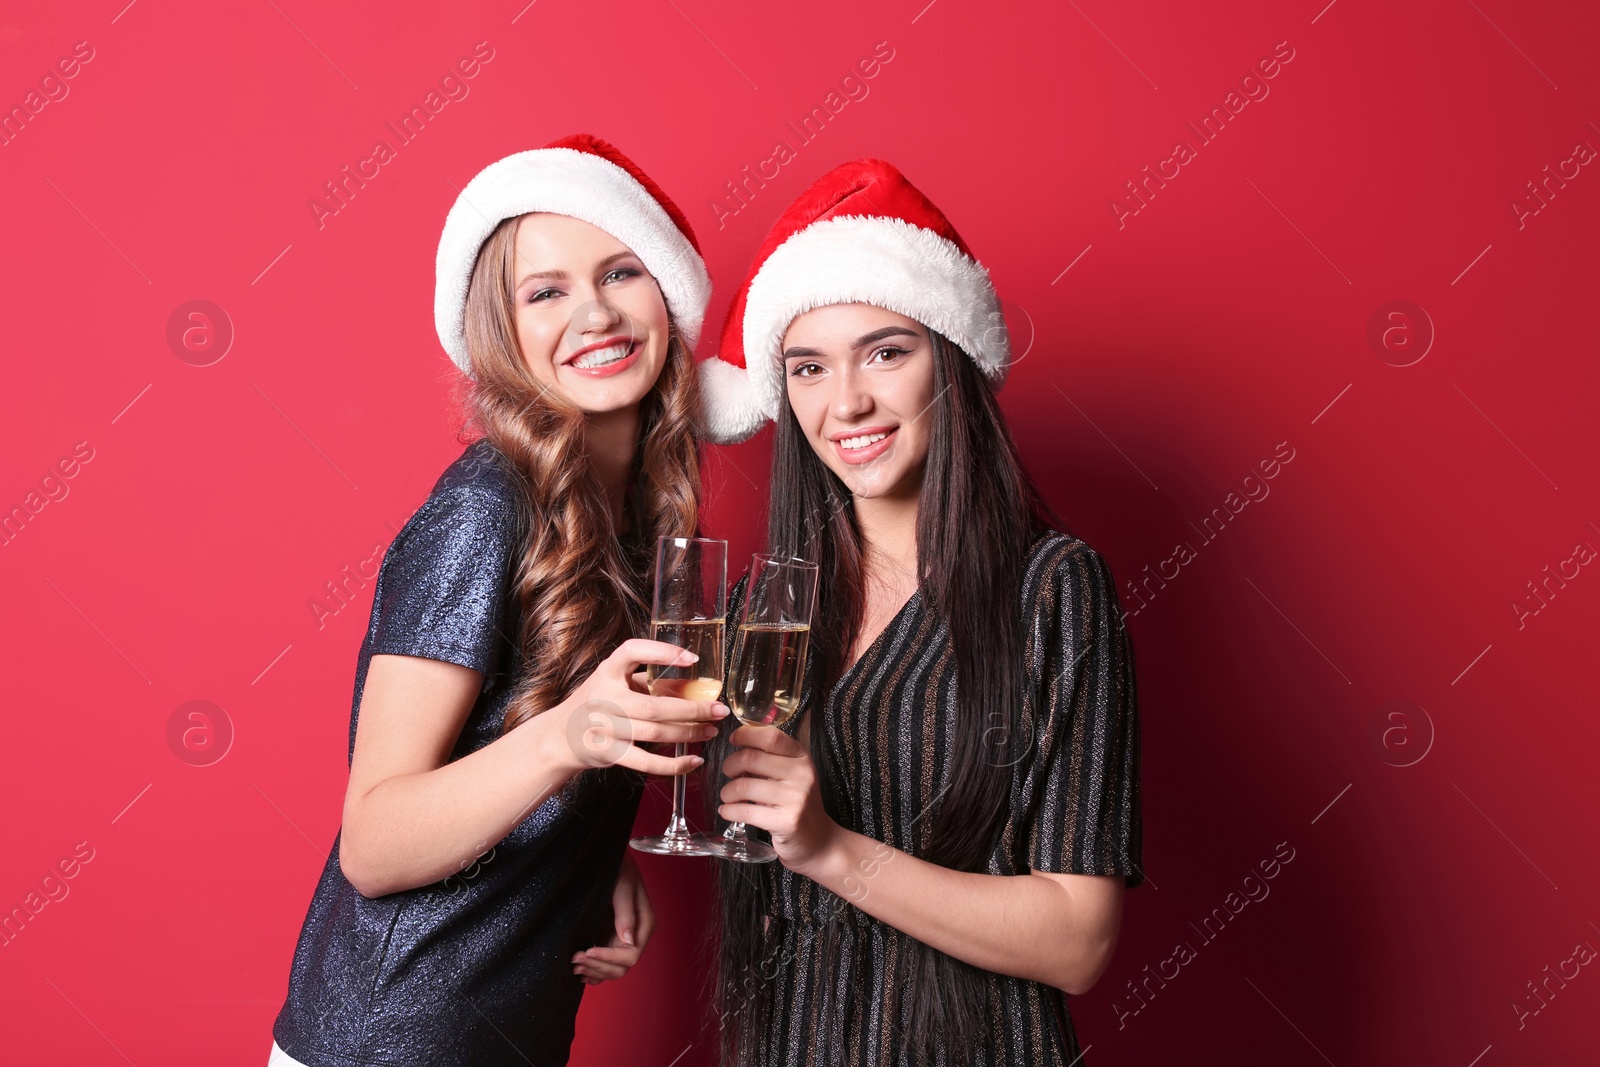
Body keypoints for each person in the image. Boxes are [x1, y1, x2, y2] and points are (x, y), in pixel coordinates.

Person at [268, 134, 731, 1067]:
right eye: (546, 290)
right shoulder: (487, 507)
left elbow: (503, 750)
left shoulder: (632, 511)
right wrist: (569, 740)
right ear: (504, 332)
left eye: (621, 271)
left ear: (668, 295)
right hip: (383, 1044)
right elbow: (377, 838)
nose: (594, 313)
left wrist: (594, 850)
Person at [696, 158, 1145, 1066]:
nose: (847, 401)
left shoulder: (1053, 591)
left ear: (952, 357)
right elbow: (743, 863)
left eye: (886, 352)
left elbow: (1078, 940)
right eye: (810, 367)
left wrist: (832, 849)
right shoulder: (763, 607)